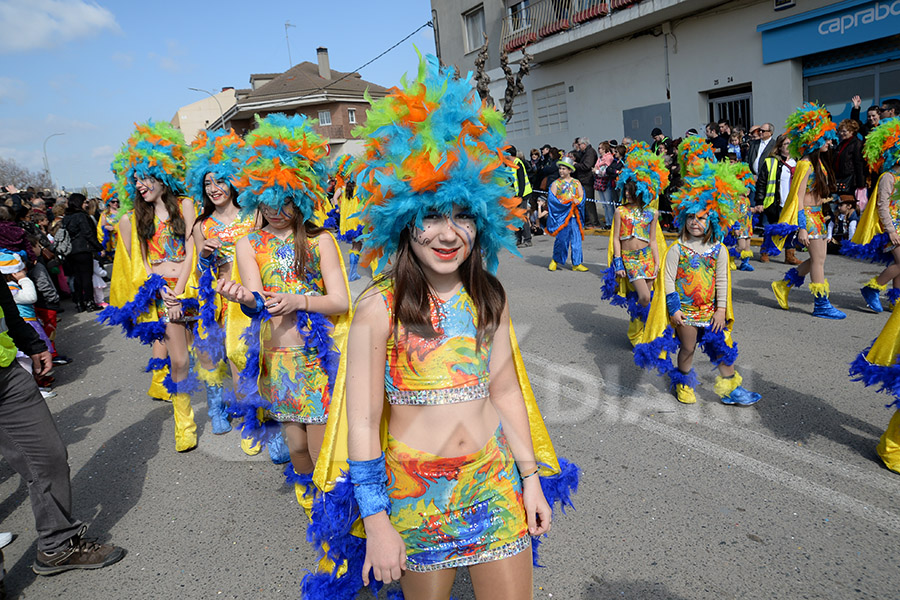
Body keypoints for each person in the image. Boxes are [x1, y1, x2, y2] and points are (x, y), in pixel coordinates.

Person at [300, 54, 578, 600]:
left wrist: (529, 478)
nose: (448, 233)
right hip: (414, 495)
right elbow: (363, 421)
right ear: (404, 220)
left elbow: (505, 392)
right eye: (431, 215)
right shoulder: (379, 306)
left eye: (463, 215)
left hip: (493, 484)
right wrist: (377, 521)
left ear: (484, 218)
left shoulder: (488, 295)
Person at [216, 113, 350, 484]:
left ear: (301, 196)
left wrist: (299, 301)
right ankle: (310, 503)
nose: (276, 212)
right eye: (268, 203)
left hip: (316, 358)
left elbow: (340, 301)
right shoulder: (248, 243)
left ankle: (331, 512)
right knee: (296, 449)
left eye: (285, 201)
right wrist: (242, 297)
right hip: (278, 361)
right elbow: (258, 302)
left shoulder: (320, 239)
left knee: (325, 450)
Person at [0, 275, 124, 586]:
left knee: (48, 456)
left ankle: (56, 546)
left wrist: (30, 341)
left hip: (6, 374)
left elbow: (3, 300)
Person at [100, 121, 201, 451]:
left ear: (164, 173)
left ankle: (227, 407)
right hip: (162, 293)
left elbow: (191, 250)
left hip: (189, 288)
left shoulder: (186, 205)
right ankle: (183, 423)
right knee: (181, 360)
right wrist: (164, 292)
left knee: (212, 354)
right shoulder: (130, 220)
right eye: (136, 179)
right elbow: (139, 264)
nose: (141, 184)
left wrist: (182, 289)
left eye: (147, 176)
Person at [635, 160, 761, 406]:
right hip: (685, 312)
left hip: (712, 312)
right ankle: (683, 383)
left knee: (723, 349)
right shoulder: (677, 249)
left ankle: (731, 389)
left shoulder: (719, 249)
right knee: (688, 348)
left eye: (702, 218)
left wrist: (722, 310)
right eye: (691, 217)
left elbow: (723, 281)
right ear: (684, 218)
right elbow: (668, 280)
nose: (695, 222)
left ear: (713, 220)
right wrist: (674, 309)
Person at [186, 129, 257, 437]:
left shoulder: (253, 216)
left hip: (249, 297)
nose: (214, 188)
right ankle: (219, 406)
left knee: (251, 358)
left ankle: (259, 418)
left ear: (234, 180)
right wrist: (203, 256)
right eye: (207, 183)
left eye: (220, 180)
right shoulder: (203, 224)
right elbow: (200, 275)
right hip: (219, 301)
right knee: (216, 356)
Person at [771, 103, 844, 319]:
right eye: (826, 138)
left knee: (817, 259)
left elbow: (816, 194)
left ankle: (784, 284)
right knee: (818, 260)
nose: (830, 143)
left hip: (818, 217)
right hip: (809, 219)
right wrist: (801, 228)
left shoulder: (818, 162)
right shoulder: (804, 164)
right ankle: (821, 304)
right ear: (813, 139)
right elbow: (798, 200)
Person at [601, 144, 667, 346]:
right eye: (626, 191)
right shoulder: (621, 211)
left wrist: (656, 263)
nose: (627, 195)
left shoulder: (652, 214)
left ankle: (640, 332)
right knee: (645, 297)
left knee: (644, 297)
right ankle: (637, 333)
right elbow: (616, 239)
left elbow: (653, 240)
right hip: (630, 261)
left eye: (631, 192)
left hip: (647, 258)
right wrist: (618, 262)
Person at [841, 119, 900, 312]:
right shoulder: (888, 177)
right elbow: (882, 206)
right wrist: (890, 230)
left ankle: (895, 300)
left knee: (898, 264)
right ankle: (872, 288)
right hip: (889, 228)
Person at [756, 134, 796, 262]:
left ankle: (789, 255)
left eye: (791, 143)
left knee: (791, 229)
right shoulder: (771, 161)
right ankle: (765, 251)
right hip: (774, 201)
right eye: (786, 144)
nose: (789, 146)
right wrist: (760, 201)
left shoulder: (796, 161)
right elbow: (761, 182)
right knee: (772, 228)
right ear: (779, 147)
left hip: (791, 202)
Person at [60, 193, 102, 312]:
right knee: (86, 277)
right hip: (83, 250)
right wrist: (99, 247)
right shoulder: (81, 216)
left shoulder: (66, 217)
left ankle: (79, 302)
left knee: (77, 278)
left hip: (70, 251)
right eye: (84, 202)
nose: (86, 204)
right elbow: (88, 234)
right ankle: (90, 302)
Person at [547, 156, 588, 271]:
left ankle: (577, 263)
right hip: (562, 217)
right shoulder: (556, 183)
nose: (561, 171)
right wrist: (560, 203)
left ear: (570, 170)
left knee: (576, 240)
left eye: (564, 169)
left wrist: (578, 201)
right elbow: (551, 199)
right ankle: (555, 260)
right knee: (561, 239)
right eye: (560, 168)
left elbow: (582, 196)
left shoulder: (576, 183)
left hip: (575, 216)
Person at [573, 137, 599, 228]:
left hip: (587, 179)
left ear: (584, 144)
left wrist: (576, 165)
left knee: (589, 201)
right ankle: (589, 221)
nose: (578, 146)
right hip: (583, 179)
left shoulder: (590, 152)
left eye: (580, 144)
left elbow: (587, 165)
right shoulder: (585, 153)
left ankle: (594, 222)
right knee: (585, 201)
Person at [594, 141, 616, 229]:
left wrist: (598, 171)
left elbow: (606, 171)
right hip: (599, 182)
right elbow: (596, 167)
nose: (599, 150)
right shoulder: (600, 158)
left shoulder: (609, 157)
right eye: (599, 148)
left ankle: (612, 222)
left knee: (609, 203)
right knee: (604, 204)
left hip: (606, 182)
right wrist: (597, 170)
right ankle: (608, 222)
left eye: (601, 148)